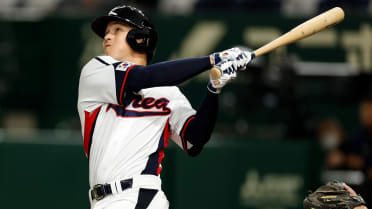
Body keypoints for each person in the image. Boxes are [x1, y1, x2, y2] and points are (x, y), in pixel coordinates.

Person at [77, 4, 252, 209]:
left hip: (140, 195)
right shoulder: (95, 71)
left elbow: (194, 141)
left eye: (117, 30)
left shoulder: (169, 94)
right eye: (106, 33)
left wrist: (213, 89)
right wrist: (214, 59)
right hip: (103, 201)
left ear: (140, 38)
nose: (107, 37)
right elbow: (146, 76)